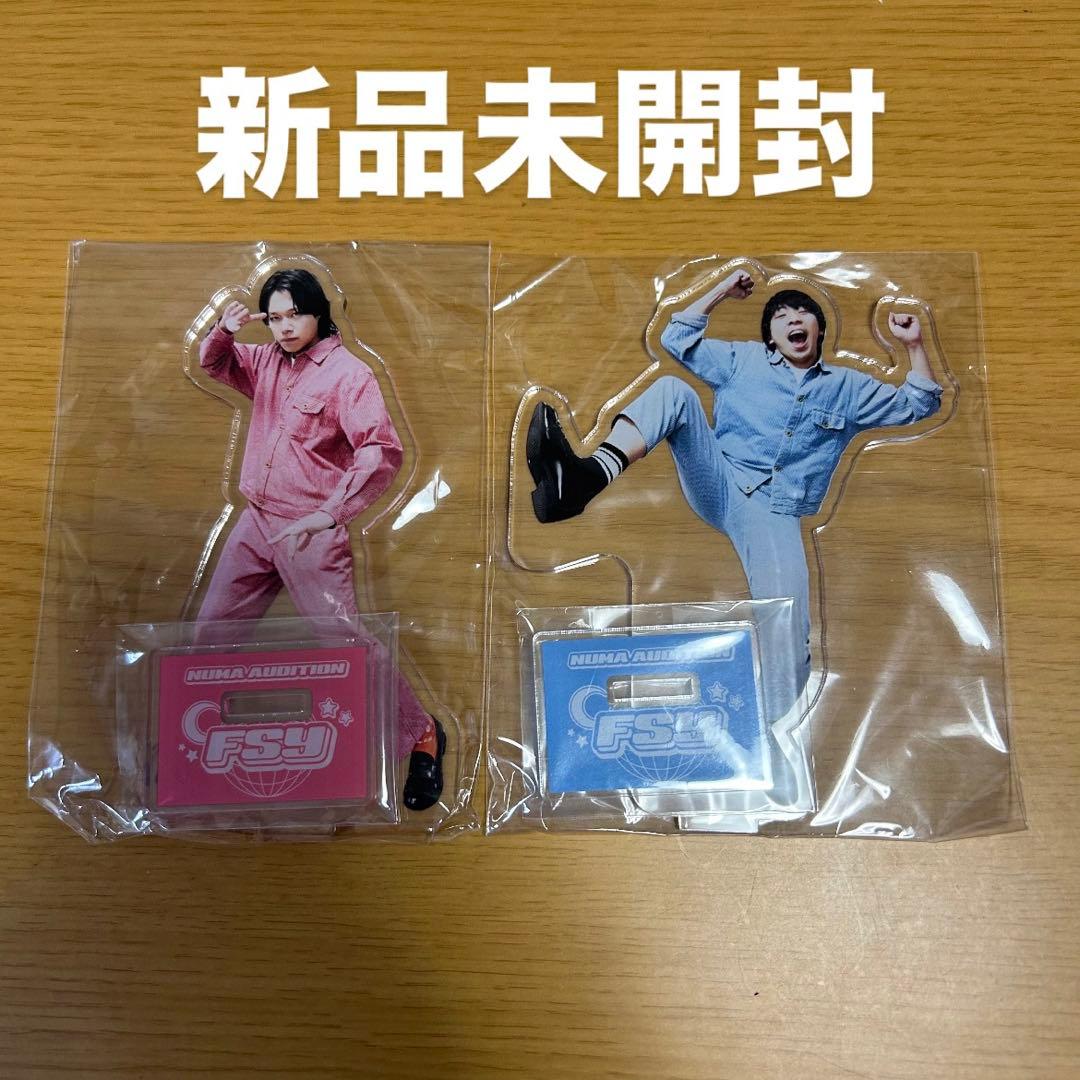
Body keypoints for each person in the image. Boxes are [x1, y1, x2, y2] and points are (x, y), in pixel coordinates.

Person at [526, 268, 944, 686]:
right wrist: (722, 290)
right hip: (720, 478)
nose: (793, 320)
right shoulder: (742, 360)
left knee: (788, 630)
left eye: (803, 313)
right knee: (674, 392)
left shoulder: (848, 388)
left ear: (819, 328)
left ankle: (778, 713)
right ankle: (582, 481)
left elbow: (919, 403)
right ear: (771, 338)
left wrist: (914, 344)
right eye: (781, 316)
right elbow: (676, 338)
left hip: (773, 512)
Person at [196, 267, 445, 810]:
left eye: (295, 315)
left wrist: (331, 515)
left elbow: (381, 451)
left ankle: (421, 732)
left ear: (318, 313)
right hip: (256, 520)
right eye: (275, 318)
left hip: (308, 530)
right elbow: (214, 364)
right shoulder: (264, 361)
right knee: (210, 633)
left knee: (344, 643)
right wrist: (224, 330)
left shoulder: (349, 375)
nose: (285, 327)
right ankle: (192, 740)